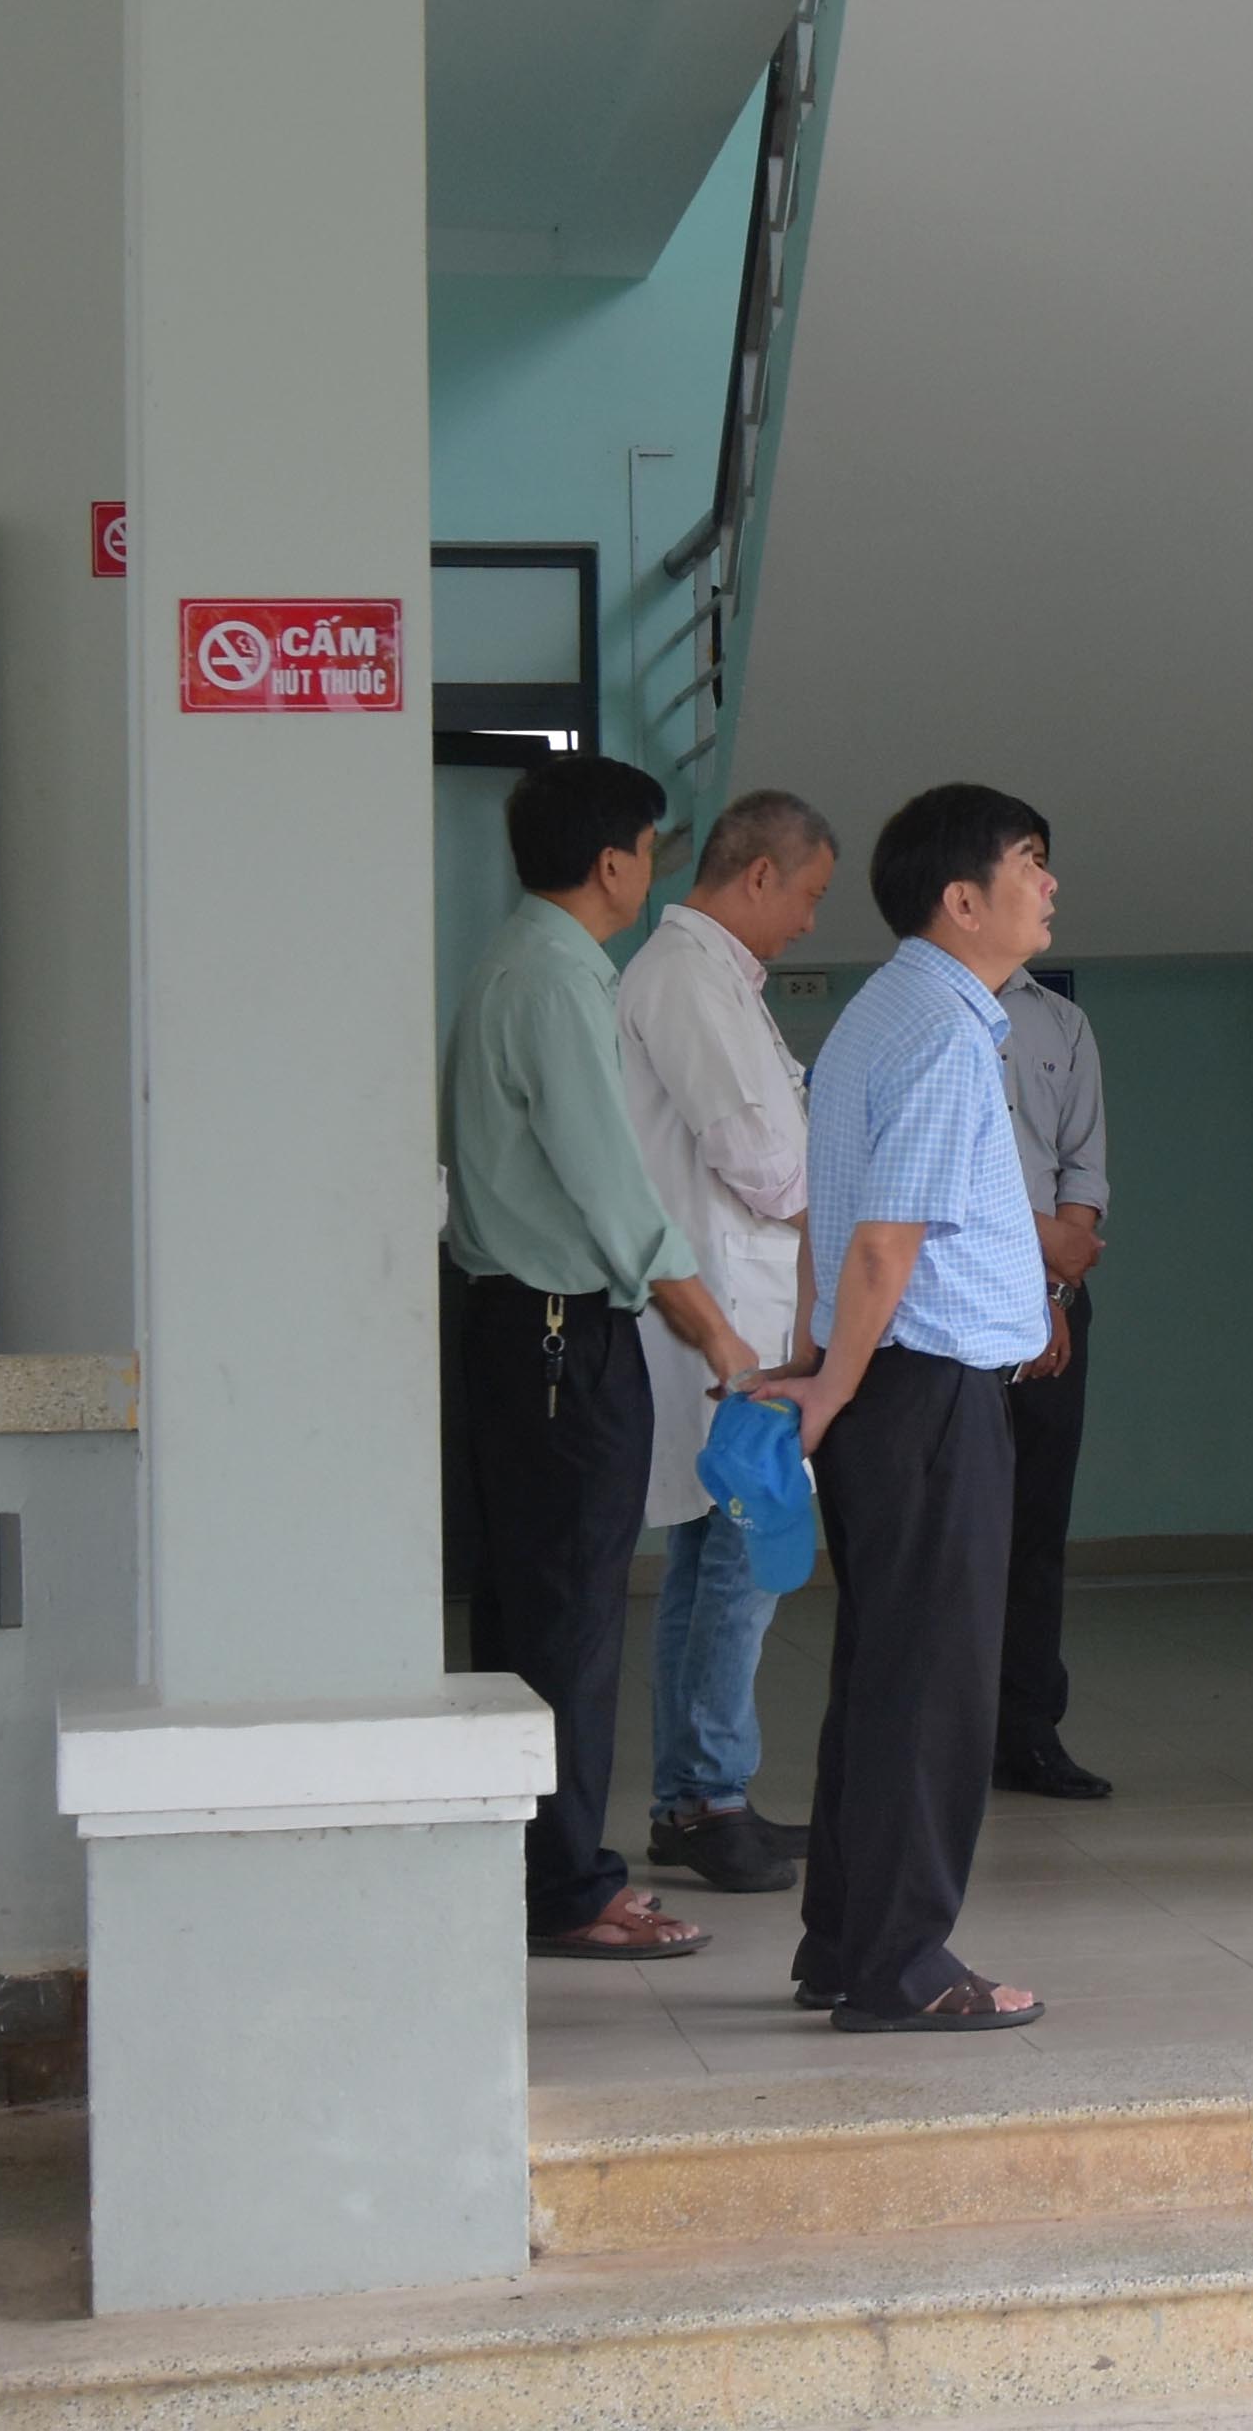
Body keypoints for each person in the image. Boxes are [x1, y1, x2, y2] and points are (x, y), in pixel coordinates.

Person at [441, 750, 779, 1964]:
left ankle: (531, 1864)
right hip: (554, 1332)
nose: (653, 868)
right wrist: (716, 1327)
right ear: (611, 863)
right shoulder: (553, 979)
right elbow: (610, 1183)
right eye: (649, 847)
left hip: (521, 1326)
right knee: (568, 1621)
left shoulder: (525, 960)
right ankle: (569, 1888)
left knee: (534, 1612)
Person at [771, 783, 1064, 2033]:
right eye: (1030, 862)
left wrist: (823, 1361)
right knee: (934, 1688)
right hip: (927, 1392)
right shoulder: (944, 1032)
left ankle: (846, 1943)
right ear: (963, 899)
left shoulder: (881, 1009)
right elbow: (885, 1240)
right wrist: (830, 1383)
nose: (1049, 885)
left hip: (891, 1385)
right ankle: (903, 1965)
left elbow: (827, 1214)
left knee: (884, 1674)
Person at [615, 787, 839, 1895]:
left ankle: (692, 1794)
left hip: (735, 1310)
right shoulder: (687, 978)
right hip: (725, 1323)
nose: (809, 921)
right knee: (743, 1556)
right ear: (759, 874)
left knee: (712, 1558)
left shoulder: (710, 976)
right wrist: (845, 1215)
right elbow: (762, 1158)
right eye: (807, 894)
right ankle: (708, 1796)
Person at [993, 960, 1114, 1800]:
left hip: (1051, 1305)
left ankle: (1028, 1731)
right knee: (947, 1534)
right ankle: (942, 1732)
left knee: (1034, 1530)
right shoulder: (916, 1010)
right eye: (1029, 891)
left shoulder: (1061, 1022)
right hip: (949, 1308)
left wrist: (1053, 1293)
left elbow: (1082, 1167)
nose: (1045, 899)